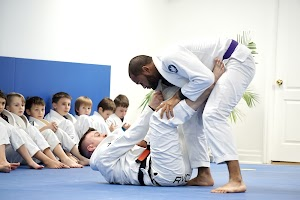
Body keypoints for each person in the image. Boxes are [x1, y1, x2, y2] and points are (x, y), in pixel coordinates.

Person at [128, 37, 256, 193]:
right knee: (190, 121)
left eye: (141, 82)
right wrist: (146, 139)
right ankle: (204, 174)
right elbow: (164, 115)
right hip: (217, 70)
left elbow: (206, 79)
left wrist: (176, 98)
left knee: (213, 114)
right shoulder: (163, 81)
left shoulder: (168, 58)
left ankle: (236, 179)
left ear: (146, 69)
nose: (144, 87)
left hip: (233, 60)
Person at [78, 60, 224, 186]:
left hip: (177, 174)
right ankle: (208, 85)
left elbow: (141, 139)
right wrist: (151, 108)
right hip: (163, 173)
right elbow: (133, 135)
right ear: (91, 147)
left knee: (184, 125)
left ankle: (204, 174)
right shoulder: (102, 158)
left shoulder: (113, 159)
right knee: (160, 117)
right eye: (97, 134)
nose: (103, 133)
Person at [5, 92, 69, 169]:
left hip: (29, 154)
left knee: (39, 131)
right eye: (16, 105)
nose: (21, 108)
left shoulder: (24, 121)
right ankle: (48, 160)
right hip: (11, 154)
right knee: (23, 131)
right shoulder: (7, 121)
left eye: (22, 105)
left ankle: (54, 159)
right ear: (8, 108)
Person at [25, 96, 89, 167]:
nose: (40, 113)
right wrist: (47, 128)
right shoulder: (30, 123)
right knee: (48, 132)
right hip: (39, 154)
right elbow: (33, 137)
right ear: (28, 111)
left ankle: (81, 157)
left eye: (42, 110)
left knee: (59, 131)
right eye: (36, 110)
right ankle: (65, 158)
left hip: (53, 151)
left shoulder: (44, 121)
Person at [0, 90, 52, 169]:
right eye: (16, 105)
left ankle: (50, 159)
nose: (0, 106)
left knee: (34, 130)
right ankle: (2, 161)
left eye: (3, 103)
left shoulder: (8, 119)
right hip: (8, 155)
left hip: (22, 154)